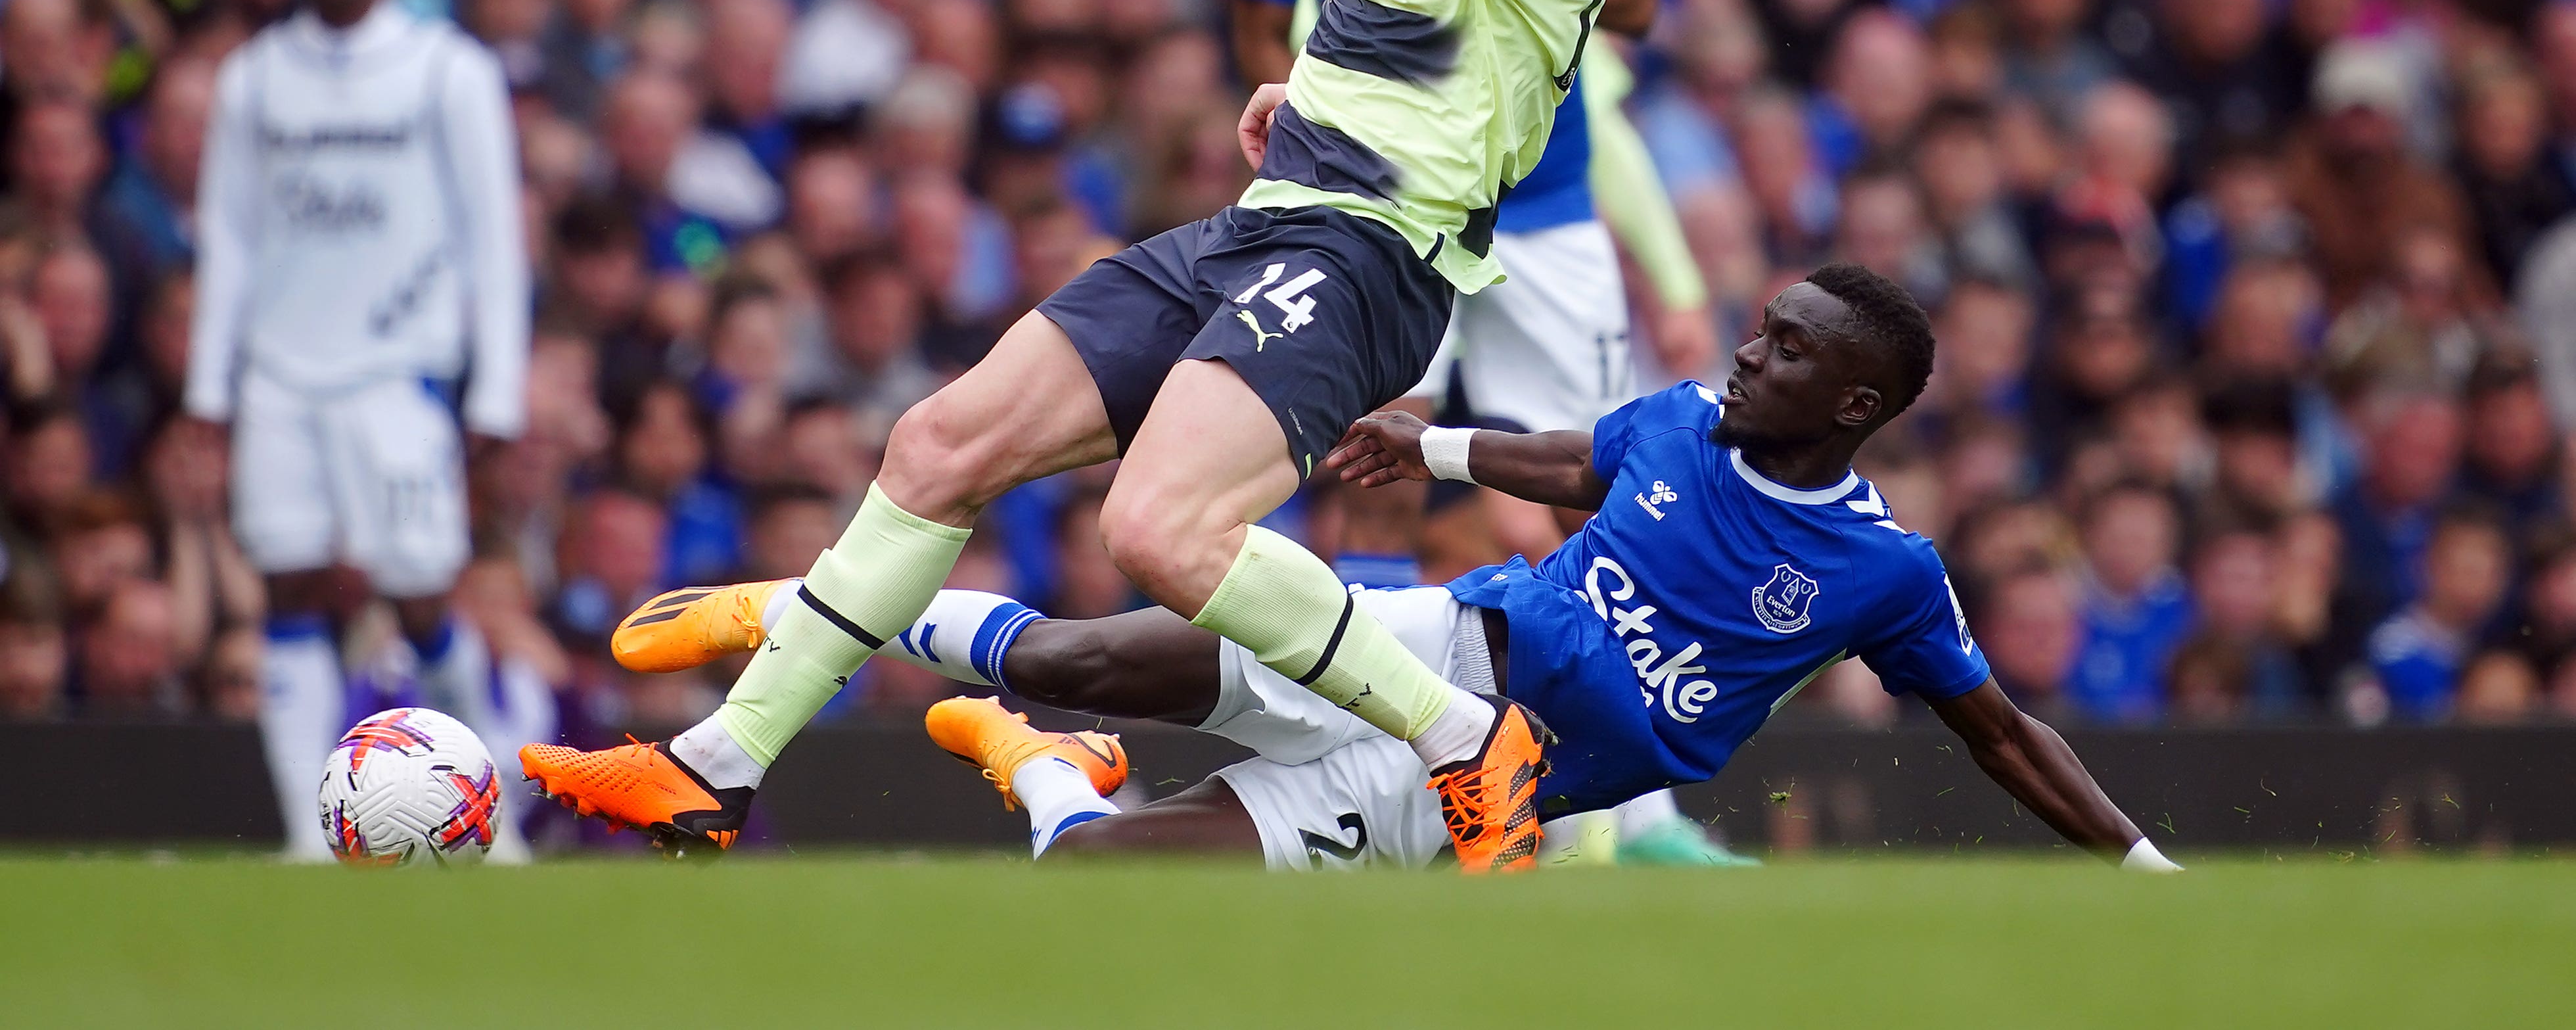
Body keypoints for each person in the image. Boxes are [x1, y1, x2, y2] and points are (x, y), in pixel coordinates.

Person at [523, 0, 1608, 870]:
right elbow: (1453, 25)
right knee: (938, 442)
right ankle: (712, 766)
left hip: (1363, 258)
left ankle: (1461, 733)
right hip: (1280, 219)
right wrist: (1307, 93)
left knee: (1158, 529)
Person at [607, 266, 2183, 874]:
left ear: (1853, 403)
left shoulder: (1884, 570)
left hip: (1466, 794)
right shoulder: (1693, 418)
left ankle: (1049, 783)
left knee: (1095, 881)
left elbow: (1996, 728)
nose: (1744, 352)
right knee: (1084, 648)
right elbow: (1580, 457)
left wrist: (2135, 864)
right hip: (1438, 644)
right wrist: (1424, 450)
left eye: (1782, 350)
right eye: (1759, 325)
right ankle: (797, 611)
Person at [1212, 0, 1720, 864]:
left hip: (1543, 208)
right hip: (1384, 205)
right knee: (1368, 464)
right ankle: (1366, 767)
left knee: (1581, 498)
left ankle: (1621, 812)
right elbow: (1250, 37)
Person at [185, 0, 534, 858]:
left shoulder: (444, 70)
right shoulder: (252, 77)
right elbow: (231, 239)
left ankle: (488, 804)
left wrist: (496, 392)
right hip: (279, 375)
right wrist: (210, 391)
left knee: (422, 596)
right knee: (290, 587)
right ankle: (310, 828)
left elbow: (491, 240)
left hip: (399, 375)